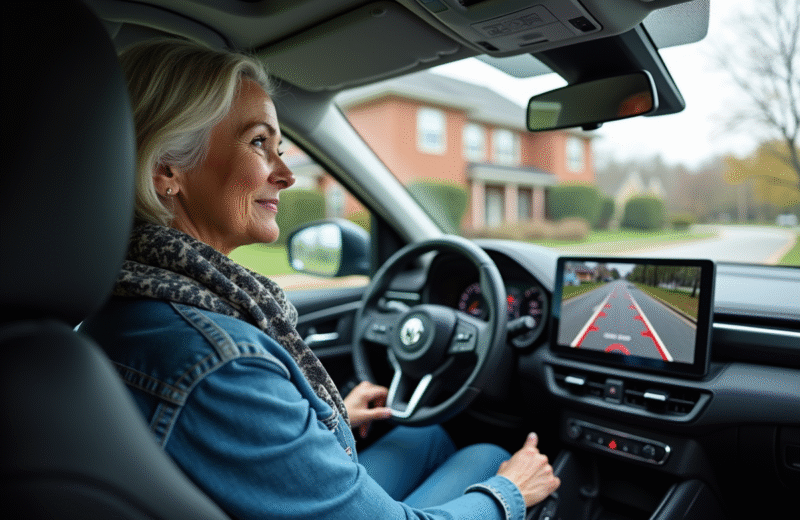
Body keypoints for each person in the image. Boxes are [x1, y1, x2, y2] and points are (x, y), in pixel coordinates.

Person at [80, 38, 560, 520]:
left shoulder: (123, 303)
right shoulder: (219, 362)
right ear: (169, 170)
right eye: (258, 143)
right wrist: (510, 491)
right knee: (488, 458)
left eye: (280, 148)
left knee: (426, 434)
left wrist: (318, 420)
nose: (287, 174)